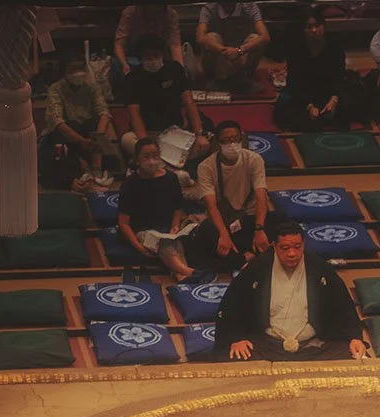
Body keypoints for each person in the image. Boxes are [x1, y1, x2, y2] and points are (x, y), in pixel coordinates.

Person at [214, 221, 366, 362]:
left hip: (313, 346)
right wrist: (236, 338)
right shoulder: (257, 269)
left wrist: (354, 337)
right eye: (285, 248)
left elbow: (344, 306)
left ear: (304, 244)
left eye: (297, 247)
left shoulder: (320, 269)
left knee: (351, 355)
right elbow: (231, 306)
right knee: (237, 356)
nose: (292, 253)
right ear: (274, 246)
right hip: (267, 346)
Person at [190, 118, 273, 270]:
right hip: (223, 221)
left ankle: (242, 259)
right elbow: (211, 205)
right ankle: (244, 261)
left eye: (235, 139)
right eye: (227, 140)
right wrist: (223, 234)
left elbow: (261, 196)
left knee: (280, 222)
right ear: (218, 142)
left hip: (249, 219)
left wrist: (259, 229)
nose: (232, 144)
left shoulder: (254, 160)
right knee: (207, 231)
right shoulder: (205, 167)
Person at [117, 136, 198, 281]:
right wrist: (139, 247)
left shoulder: (171, 179)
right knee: (162, 242)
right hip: (142, 230)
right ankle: (190, 272)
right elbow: (123, 223)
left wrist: (175, 226)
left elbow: (177, 208)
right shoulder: (131, 183)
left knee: (174, 241)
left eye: (155, 155)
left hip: (166, 228)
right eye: (146, 156)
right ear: (137, 159)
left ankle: (182, 276)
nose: (151, 160)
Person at [121, 33, 210, 160]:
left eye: (155, 55)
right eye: (147, 57)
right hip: (146, 134)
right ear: (140, 59)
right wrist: (146, 144)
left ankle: (155, 163)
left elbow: (188, 101)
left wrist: (199, 134)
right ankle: (169, 168)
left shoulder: (174, 69)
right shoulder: (133, 78)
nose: (152, 60)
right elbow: (134, 113)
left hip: (173, 133)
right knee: (127, 140)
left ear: (162, 54)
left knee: (203, 145)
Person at [40, 55, 117, 191]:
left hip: (88, 132)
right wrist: (81, 141)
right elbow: (57, 120)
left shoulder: (92, 86)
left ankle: (96, 169)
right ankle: (77, 173)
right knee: (64, 134)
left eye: (79, 69)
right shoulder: (56, 88)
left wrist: (99, 135)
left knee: (98, 124)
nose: (77, 73)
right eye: (72, 69)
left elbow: (103, 110)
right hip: (65, 133)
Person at [273, 6, 353, 132]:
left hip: (329, 92)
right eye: (309, 27)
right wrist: (309, 106)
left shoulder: (335, 46)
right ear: (303, 30)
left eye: (318, 25)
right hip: (305, 95)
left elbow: (339, 77)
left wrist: (333, 100)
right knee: (284, 107)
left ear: (324, 26)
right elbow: (294, 82)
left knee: (350, 103)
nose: (314, 30)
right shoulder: (296, 49)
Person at [196, 1, 269, 91]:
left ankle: (238, 78)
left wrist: (239, 51)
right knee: (211, 37)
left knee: (255, 38)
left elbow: (265, 37)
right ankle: (223, 80)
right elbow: (200, 37)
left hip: (241, 58)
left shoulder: (250, 7)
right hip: (218, 63)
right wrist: (224, 50)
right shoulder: (208, 9)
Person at [114, 3, 184, 79]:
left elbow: (175, 45)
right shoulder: (129, 13)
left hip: (159, 58)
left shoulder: (171, 14)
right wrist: (124, 64)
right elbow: (119, 44)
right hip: (134, 58)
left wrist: (180, 69)